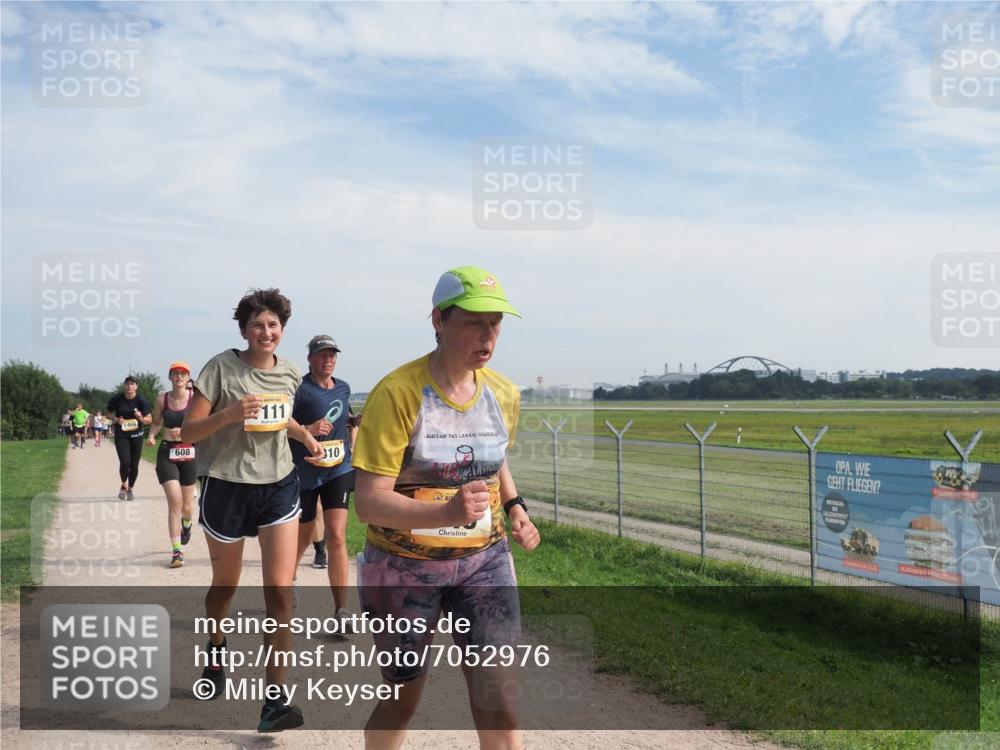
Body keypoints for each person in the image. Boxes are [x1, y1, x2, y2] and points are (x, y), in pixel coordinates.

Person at [353, 266, 540, 750]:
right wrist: (444, 514)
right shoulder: (397, 393)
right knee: (402, 699)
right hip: (404, 567)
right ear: (438, 319)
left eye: (496, 322)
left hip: (485, 561)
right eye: (475, 321)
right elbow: (369, 502)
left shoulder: (504, 393)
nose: (489, 334)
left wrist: (515, 505)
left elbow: (493, 462)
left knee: (500, 703)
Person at [181, 288, 322, 733]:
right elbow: (188, 431)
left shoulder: (291, 372)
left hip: (278, 486)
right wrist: (229, 415)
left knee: (280, 591)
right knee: (225, 586)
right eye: (258, 324)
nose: (266, 331)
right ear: (245, 330)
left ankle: (274, 701)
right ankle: (217, 645)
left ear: (282, 331)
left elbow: (283, 419)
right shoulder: (221, 367)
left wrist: (306, 437)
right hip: (226, 486)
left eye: (274, 325)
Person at [290, 335, 358, 624]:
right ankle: (288, 578)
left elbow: (344, 419)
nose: (328, 359)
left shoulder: (343, 388)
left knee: (337, 536)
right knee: (304, 536)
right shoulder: (298, 390)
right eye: (322, 355)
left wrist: (354, 428)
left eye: (332, 355)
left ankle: (341, 610)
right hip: (305, 472)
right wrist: (308, 429)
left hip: (338, 468)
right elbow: (283, 427)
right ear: (310, 359)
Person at [147, 362, 198, 568]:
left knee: (187, 506)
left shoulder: (195, 399)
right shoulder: (162, 399)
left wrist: (187, 431)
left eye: (183, 374)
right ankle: (177, 552)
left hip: (189, 452)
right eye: (175, 374)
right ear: (170, 377)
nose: (179, 377)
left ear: (188, 378)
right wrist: (151, 435)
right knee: (174, 501)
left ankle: (187, 524)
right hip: (167, 451)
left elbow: (205, 421)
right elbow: (157, 421)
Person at [107, 377, 152, 500]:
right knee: (125, 461)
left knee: (134, 465)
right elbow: (108, 413)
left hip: (137, 435)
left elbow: (150, 420)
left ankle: (130, 488)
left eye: (132, 384)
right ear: (124, 386)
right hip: (121, 435)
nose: (129, 386)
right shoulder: (117, 399)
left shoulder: (141, 401)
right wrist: (116, 420)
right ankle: (124, 485)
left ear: (136, 386)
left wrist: (141, 418)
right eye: (127, 384)